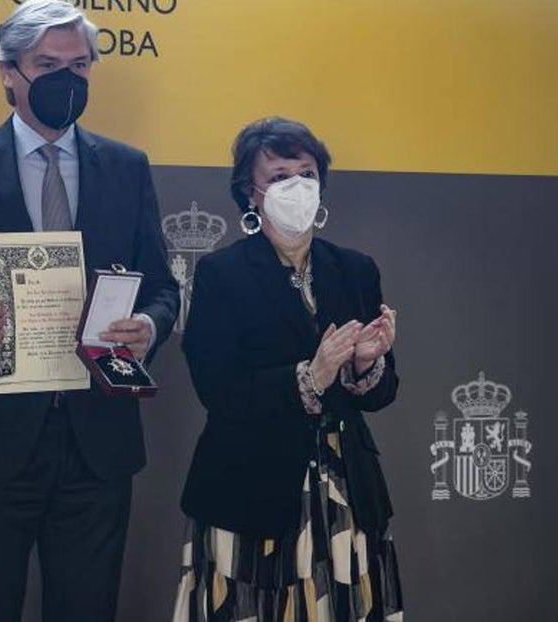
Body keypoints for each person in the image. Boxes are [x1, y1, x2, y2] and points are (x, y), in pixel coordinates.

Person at [0, 0, 179, 622]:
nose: (66, 79)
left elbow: (163, 286)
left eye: (80, 65)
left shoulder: (127, 168)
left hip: (96, 443)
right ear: (8, 73)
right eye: (47, 64)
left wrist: (147, 327)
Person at [173, 117, 404, 622]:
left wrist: (367, 365)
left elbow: (381, 393)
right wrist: (310, 376)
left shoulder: (355, 268)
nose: (295, 187)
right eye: (279, 176)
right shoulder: (221, 274)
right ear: (249, 193)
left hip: (344, 492)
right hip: (249, 491)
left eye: (306, 173)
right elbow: (219, 390)